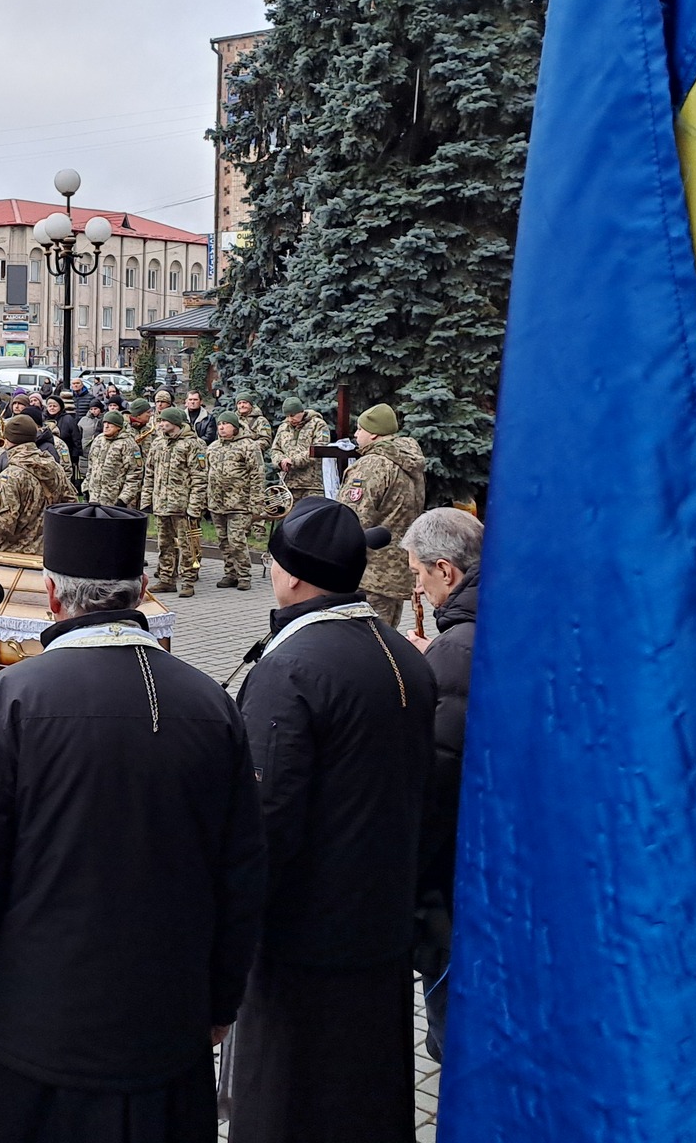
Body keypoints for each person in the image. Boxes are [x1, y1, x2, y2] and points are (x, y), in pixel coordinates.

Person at [0, 503, 265, 1142]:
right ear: (143, 590)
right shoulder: (211, 701)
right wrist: (221, 1001)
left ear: (52, 595)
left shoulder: (13, 696)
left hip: (39, 1026)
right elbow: (242, 873)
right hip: (167, 1023)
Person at [229, 496, 435, 1142]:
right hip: (380, 930)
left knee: (289, 1106)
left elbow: (263, 825)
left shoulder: (289, 668)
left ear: (290, 575)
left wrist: (227, 944)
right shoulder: (404, 653)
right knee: (365, 1098)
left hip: (303, 950)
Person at [402, 506, 482, 1062]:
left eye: (418, 574)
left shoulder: (456, 651)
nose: (417, 586)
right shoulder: (501, 621)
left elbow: (437, 776)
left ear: (446, 572)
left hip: (459, 888)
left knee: (456, 1040)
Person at [340, 404, 428, 626]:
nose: (356, 434)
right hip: (397, 569)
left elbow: (350, 518)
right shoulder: (408, 462)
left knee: (365, 642)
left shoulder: (373, 464)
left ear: (374, 434)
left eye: (360, 429)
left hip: (368, 572)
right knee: (385, 635)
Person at [0, 414, 77, 555]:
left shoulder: (10, 476)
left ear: (8, 439)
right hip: (48, 552)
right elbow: (71, 504)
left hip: (11, 556)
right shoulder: (55, 468)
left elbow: (2, 526)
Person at [140, 406, 207, 598]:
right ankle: (166, 579)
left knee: (187, 545)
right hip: (162, 504)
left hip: (182, 506)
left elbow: (199, 477)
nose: (160, 424)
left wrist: (194, 507)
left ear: (176, 423)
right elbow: (150, 474)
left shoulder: (193, 444)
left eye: (164, 421)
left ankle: (187, 581)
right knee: (164, 544)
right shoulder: (158, 444)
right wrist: (147, 500)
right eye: (159, 421)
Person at [204, 416, 265, 591]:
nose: (222, 428)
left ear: (236, 427)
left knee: (236, 539)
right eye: (220, 424)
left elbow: (257, 475)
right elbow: (207, 473)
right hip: (217, 503)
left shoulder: (249, 446)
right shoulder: (213, 447)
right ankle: (230, 573)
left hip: (240, 502)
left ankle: (244, 574)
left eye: (226, 424)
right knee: (223, 540)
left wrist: (256, 503)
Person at [268, 399, 332, 512]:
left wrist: (293, 461)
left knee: (311, 519)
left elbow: (319, 449)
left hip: (312, 485)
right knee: (287, 521)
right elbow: (275, 450)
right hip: (288, 484)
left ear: (301, 411)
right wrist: (280, 461)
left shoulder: (318, 425)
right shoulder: (283, 428)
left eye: (292, 415)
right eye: (287, 416)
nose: (289, 419)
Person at [84, 408, 143, 506]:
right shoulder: (98, 440)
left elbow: (135, 474)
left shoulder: (128, 444)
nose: (106, 426)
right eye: (105, 423)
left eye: (110, 424)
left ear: (118, 427)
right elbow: (91, 466)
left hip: (115, 500)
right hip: (94, 498)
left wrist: (124, 499)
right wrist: (86, 487)